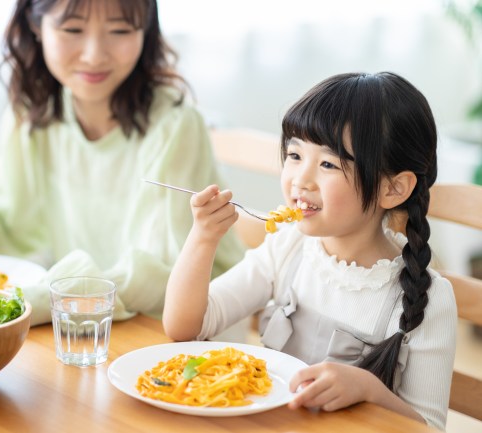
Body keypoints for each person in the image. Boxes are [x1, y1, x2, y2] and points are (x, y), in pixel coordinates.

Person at [0, 0, 246, 326]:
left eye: (119, 29)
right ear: (36, 26)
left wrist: (30, 300)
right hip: (88, 319)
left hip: (183, 331)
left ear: (145, 30)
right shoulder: (33, 114)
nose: (94, 53)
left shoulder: (175, 124)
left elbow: (158, 273)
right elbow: (11, 230)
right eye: (72, 28)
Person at [162, 72, 457, 430]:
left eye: (328, 164)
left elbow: (429, 427)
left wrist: (368, 389)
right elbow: (183, 327)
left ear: (392, 189)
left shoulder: (430, 298)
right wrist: (203, 239)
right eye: (295, 154)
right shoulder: (288, 246)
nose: (300, 179)